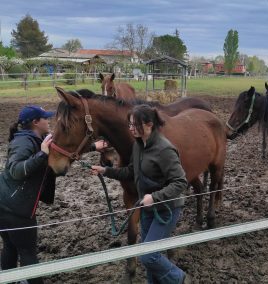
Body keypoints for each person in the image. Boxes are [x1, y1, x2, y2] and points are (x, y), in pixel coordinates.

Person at [0, 105, 106, 284]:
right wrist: (42, 154)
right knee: (27, 253)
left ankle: (8, 280)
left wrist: (93, 147)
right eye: (45, 118)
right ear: (35, 122)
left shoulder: (34, 138)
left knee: (10, 246)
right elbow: (16, 170)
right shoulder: (25, 142)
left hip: (6, 203)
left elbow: (60, 151)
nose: (48, 121)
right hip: (16, 210)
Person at [91, 104, 190, 284]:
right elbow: (130, 171)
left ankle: (179, 279)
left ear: (149, 124)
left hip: (166, 209)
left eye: (134, 125)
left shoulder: (164, 150)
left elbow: (180, 182)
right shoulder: (138, 146)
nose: (130, 128)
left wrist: (154, 197)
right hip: (147, 209)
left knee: (148, 256)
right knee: (150, 255)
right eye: (129, 124)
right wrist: (105, 171)